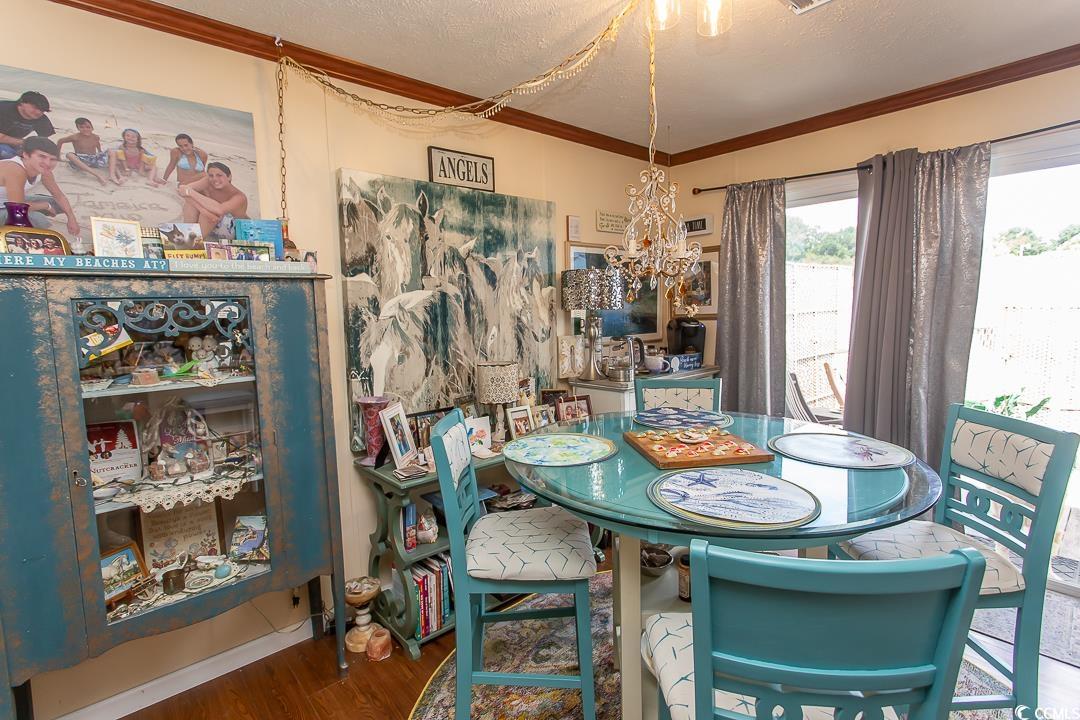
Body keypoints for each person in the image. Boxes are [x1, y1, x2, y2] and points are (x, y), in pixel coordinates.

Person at [0, 136, 81, 236]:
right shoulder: (15, 169)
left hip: (7, 201)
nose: (47, 163)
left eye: (52, 159)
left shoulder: (43, 171)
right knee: (37, 219)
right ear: (25, 154)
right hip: (12, 206)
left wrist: (71, 218)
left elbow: (59, 196)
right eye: (42, 156)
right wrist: (45, 206)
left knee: (56, 203)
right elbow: (17, 209)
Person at [178, 161, 249, 239]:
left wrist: (190, 192)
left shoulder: (239, 197)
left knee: (211, 211)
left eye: (219, 175)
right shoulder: (208, 181)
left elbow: (219, 209)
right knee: (191, 205)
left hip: (231, 229)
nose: (215, 179)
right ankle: (187, 235)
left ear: (229, 177)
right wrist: (202, 209)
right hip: (212, 221)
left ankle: (194, 241)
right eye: (211, 175)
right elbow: (182, 190)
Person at [0, 91, 54, 160]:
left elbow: (44, 141)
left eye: (42, 110)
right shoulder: (4, 110)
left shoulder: (42, 119)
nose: (38, 112)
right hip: (6, 141)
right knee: (6, 153)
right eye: (35, 107)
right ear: (22, 103)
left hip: (12, 142)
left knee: (31, 157)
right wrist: (26, 142)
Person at [56, 117, 108, 186]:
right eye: (82, 127)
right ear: (78, 128)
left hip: (93, 159)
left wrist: (100, 153)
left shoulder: (96, 137)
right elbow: (60, 141)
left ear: (92, 128)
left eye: (88, 127)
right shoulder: (75, 137)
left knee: (110, 152)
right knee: (69, 155)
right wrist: (58, 157)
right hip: (81, 160)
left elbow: (97, 145)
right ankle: (97, 175)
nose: (85, 129)